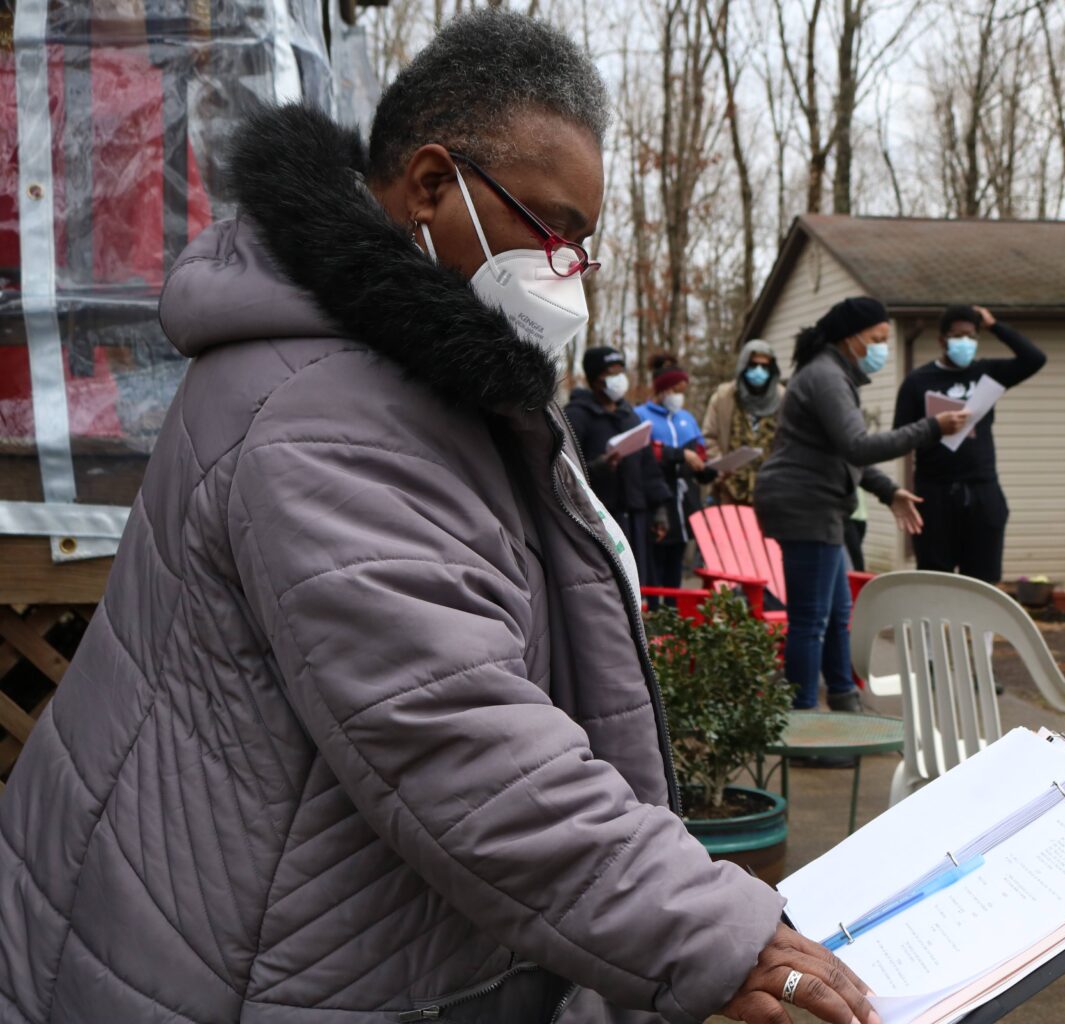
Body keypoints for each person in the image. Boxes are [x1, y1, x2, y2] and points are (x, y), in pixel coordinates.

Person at [0, 13, 880, 1024]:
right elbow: (456, 729)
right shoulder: (323, 413)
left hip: (304, 929)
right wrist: (716, 934)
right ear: (428, 184)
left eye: (583, 245)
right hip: (224, 964)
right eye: (551, 228)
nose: (567, 271)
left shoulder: (421, 383)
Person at [756, 296, 969, 712]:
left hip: (818, 504)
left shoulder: (833, 373)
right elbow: (857, 445)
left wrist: (889, 491)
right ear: (850, 337)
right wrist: (931, 427)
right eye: (877, 339)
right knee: (810, 620)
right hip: (805, 505)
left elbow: (841, 452)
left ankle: (843, 697)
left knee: (838, 614)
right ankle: (801, 716)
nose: (882, 349)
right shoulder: (826, 377)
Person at [893, 304, 1047, 582]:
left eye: (971, 336)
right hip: (936, 491)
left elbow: (1034, 359)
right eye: (958, 336)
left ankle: (978, 628)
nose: (965, 342)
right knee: (935, 578)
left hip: (982, 489)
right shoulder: (918, 381)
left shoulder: (986, 373)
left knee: (983, 580)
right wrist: (934, 428)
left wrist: (994, 326)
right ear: (942, 340)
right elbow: (898, 437)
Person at [565, 345, 672, 589]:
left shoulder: (630, 417)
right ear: (595, 379)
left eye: (620, 371)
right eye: (610, 373)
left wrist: (659, 509)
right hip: (599, 520)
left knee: (635, 586)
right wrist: (598, 467)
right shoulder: (577, 417)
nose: (618, 379)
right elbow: (565, 470)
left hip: (635, 518)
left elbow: (648, 467)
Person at [637, 353, 716, 592]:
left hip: (685, 504)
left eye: (683, 391)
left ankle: (674, 613)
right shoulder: (641, 416)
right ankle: (655, 614)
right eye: (676, 390)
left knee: (676, 568)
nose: (679, 397)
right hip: (659, 504)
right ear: (663, 390)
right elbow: (644, 453)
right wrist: (678, 454)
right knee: (655, 566)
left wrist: (710, 471)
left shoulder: (687, 419)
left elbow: (700, 455)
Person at [700, 339, 783, 506]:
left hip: (771, 490)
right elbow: (708, 437)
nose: (759, 371)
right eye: (753, 365)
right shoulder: (724, 398)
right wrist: (721, 464)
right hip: (730, 490)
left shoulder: (783, 399)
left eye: (764, 367)